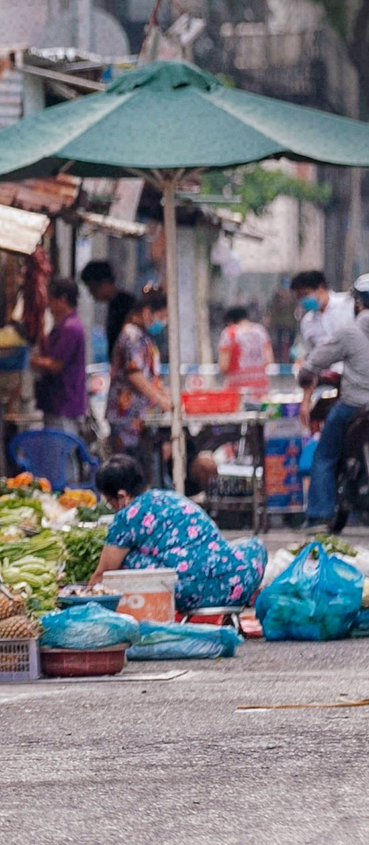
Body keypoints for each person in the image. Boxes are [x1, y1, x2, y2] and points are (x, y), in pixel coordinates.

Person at [92, 454, 265, 611]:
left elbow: (103, 574)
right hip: (234, 585)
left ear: (121, 497)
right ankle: (244, 596)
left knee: (125, 561)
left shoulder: (125, 518)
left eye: (110, 501)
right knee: (255, 544)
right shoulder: (171, 496)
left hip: (190, 595)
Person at [298, 273, 369, 531]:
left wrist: (305, 373)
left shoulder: (350, 331)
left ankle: (319, 515)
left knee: (325, 455)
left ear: (359, 303)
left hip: (354, 407)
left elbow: (316, 360)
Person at [108, 289, 173, 470]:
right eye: (162, 316)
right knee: (129, 470)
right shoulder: (132, 335)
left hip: (139, 416)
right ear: (146, 312)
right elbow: (134, 374)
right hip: (126, 416)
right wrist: (160, 399)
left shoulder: (144, 337)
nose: (163, 322)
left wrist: (163, 395)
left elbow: (149, 376)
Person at [33, 276, 88, 437]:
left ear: (63, 299)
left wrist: (30, 360)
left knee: (60, 454)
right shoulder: (66, 325)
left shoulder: (70, 328)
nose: (48, 305)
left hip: (63, 404)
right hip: (59, 402)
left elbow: (56, 364)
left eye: (51, 299)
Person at [80, 260, 130, 367]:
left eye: (93, 288)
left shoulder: (125, 305)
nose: (91, 294)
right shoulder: (114, 305)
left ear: (105, 283)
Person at [217, 306, 272, 396]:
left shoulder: (229, 333)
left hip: (237, 390)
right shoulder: (260, 331)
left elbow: (224, 366)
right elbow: (269, 360)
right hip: (261, 389)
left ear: (230, 321)